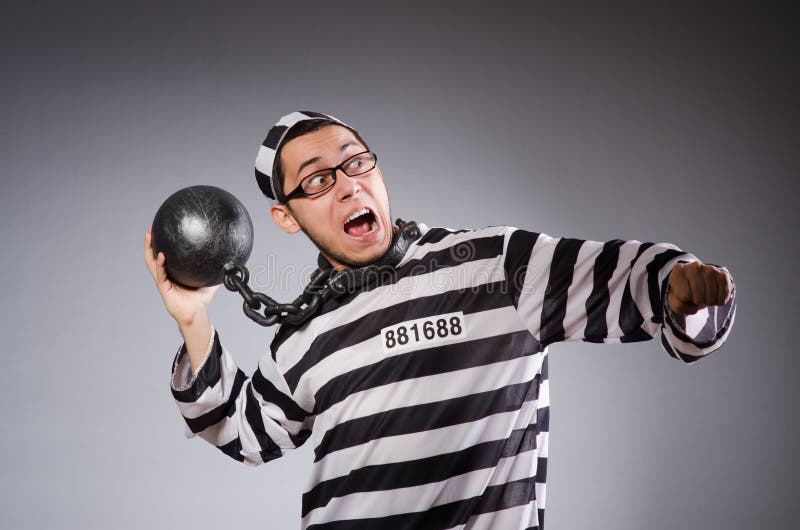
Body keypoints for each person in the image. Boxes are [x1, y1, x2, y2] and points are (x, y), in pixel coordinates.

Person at [143, 111, 736, 529]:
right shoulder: (303, 334)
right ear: (286, 218)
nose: (348, 184)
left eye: (356, 162)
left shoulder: (498, 266)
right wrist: (193, 321)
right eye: (319, 180)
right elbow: (246, 435)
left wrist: (682, 289)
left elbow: (638, 282)